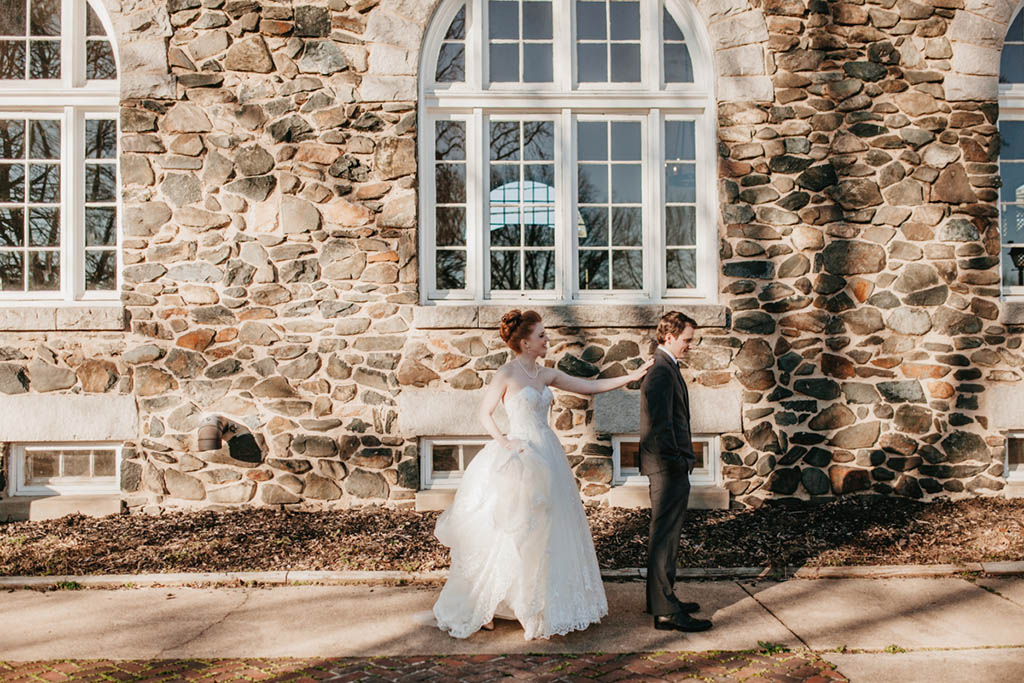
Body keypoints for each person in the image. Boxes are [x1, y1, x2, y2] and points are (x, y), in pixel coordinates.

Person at [432, 309, 653, 640]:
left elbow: (588, 387)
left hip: (547, 454)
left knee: (547, 530)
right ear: (525, 342)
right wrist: (505, 442)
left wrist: (630, 378)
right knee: (512, 530)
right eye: (541, 336)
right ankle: (486, 605)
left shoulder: (546, 374)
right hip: (518, 454)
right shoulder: (507, 374)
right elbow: (485, 413)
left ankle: (537, 602)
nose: (547, 340)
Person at [639, 311, 713, 633]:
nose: (690, 346)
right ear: (669, 337)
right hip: (667, 467)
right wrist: (678, 462)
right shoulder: (661, 372)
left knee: (666, 537)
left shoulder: (668, 368)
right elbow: (659, 426)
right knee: (664, 538)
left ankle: (661, 599)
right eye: (686, 340)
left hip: (670, 465)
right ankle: (666, 611)